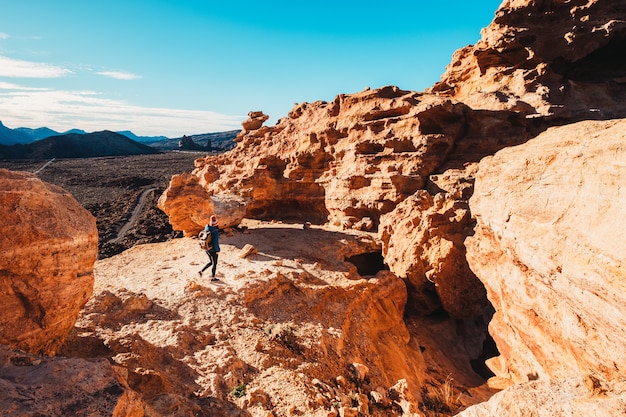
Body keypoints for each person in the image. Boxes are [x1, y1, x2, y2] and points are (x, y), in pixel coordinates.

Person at [199, 215, 220, 281]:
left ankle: (201, 271)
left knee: (211, 262)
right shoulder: (215, 231)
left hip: (206, 248)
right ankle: (213, 277)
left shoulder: (206, 228)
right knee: (214, 263)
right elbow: (215, 242)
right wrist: (217, 250)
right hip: (212, 250)